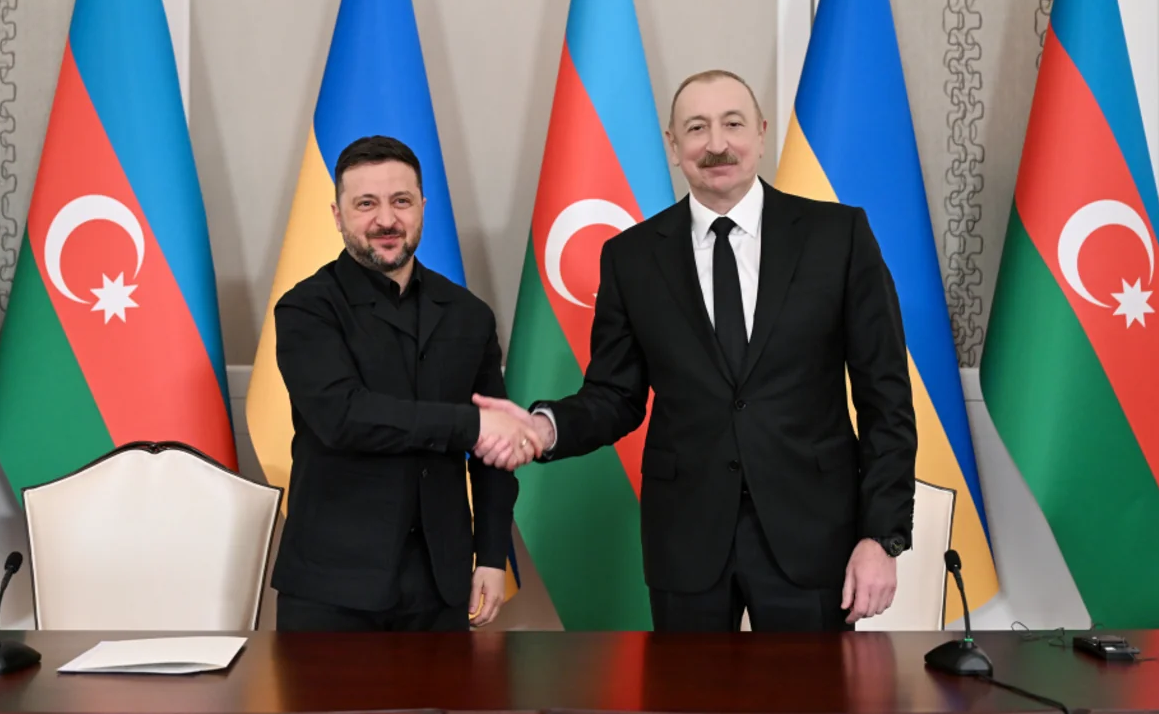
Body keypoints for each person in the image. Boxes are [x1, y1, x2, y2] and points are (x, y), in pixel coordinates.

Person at [476, 70, 917, 632]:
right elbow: (615, 395)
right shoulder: (631, 257)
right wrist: (544, 428)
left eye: (732, 124)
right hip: (686, 541)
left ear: (760, 133)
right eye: (696, 128)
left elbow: (886, 400)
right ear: (673, 144)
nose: (716, 144)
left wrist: (881, 536)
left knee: (813, 686)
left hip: (814, 537)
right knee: (688, 686)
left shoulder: (839, 236)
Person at [270, 134, 537, 632]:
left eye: (401, 201)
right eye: (365, 204)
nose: (386, 220)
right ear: (337, 215)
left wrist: (491, 555)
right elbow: (344, 416)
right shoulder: (306, 309)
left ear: (422, 208)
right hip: (331, 587)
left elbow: (494, 452)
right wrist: (471, 424)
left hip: (441, 585)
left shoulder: (470, 314)